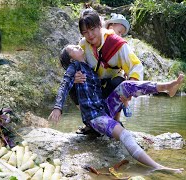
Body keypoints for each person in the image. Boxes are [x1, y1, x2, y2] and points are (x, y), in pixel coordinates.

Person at [48, 44, 184, 172]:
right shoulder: (75, 68)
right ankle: (157, 167)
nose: (78, 46)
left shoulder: (90, 68)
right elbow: (64, 85)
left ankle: (166, 88)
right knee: (125, 135)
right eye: (74, 48)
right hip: (95, 117)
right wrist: (58, 107)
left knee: (126, 86)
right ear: (71, 59)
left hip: (104, 108)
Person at [71, 9, 141, 133]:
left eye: (92, 29)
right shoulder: (83, 44)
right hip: (94, 85)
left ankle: (116, 119)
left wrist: (130, 89)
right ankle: (90, 122)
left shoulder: (117, 43)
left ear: (100, 25)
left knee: (120, 83)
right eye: (85, 32)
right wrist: (75, 76)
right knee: (72, 82)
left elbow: (135, 66)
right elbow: (77, 66)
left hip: (112, 85)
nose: (90, 35)